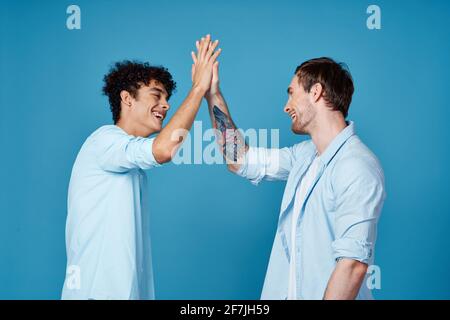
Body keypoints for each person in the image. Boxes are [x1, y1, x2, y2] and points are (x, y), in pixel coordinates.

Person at [202, 55, 386, 300]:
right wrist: (212, 93)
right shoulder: (304, 156)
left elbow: (352, 266)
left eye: (291, 93)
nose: (286, 106)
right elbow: (238, 159)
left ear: (316, 92)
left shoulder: (356, 166)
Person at [62, 35, 221, 300]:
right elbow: (164, 149)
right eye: (156, 95)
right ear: (127, 99)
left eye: (167, 98)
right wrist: (198, 88)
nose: (166, 105)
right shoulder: (103, 141)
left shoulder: (131, 167)